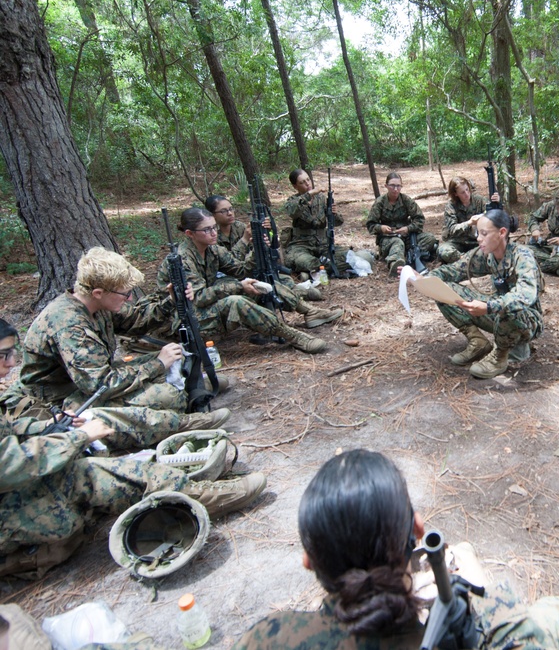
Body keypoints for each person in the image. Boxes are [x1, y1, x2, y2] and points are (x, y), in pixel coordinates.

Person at [233, 449, 559, 650]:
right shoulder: (504, 624)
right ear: (419, 531)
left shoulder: (266, 639)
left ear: (308, 561)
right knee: (550, 615)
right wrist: (488, 603)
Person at [0, 317, 267, 579]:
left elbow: (9, 434)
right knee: (86, 473)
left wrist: (47, 426)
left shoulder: (97, 313)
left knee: (98, 420)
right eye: (4, 355)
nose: (12, 362)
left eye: (13, 352)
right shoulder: (68, 322)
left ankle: (186, 425)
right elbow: (9, 465)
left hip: (22, 467)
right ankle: (196, 495)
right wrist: (76, 438)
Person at [0, 249, 230, 449]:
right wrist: (157, 365)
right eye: (125, 293)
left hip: (90, 382)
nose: (129, 298)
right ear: (98, 292)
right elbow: (100, 385)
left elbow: (137, 321)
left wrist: (171, 300)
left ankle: (187, 389)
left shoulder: (97, 304)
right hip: (58, 401)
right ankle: (175, 418)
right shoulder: (69, 326)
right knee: (167, 394)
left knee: (178, 357)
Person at [155, 208, 339, 354]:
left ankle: (310, 311)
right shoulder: (182, 260)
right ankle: (293, 336)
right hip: (184, 319)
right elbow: (198, 298)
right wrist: (238, 287)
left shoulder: (212, 250)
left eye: (214, 227)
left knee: (258, 282)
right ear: (189, 233)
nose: (213, 233)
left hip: (202, 307)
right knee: (235, 301)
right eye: (207, 229)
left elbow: (240, 269)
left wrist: (257, 247)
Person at [423, 210, 543, 380]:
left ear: (502, 233)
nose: (479, 238)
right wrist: (425, 279)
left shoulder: (522, 257)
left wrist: (488, 307)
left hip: (527, 320)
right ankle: (477, 342)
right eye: (478, 233)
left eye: (484, 233)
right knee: (442, 289)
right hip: (498, 314)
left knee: (509, 307)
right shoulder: (487, 254)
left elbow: (525, 295)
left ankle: (500, 356)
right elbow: (455, 269)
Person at [206, 194, 324, 302]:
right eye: (224, 211)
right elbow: (231, 265)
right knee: (260, 287)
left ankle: (293, 292)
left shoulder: (239, 227)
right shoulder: (211, 236)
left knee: (282, 279)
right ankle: (297, 294)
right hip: (229, 278)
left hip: (248, 269)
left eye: (231, 209)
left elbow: (258, 254)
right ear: (212, 215)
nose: (230, 213)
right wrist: (245, 240)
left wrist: (266, 234)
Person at [284, 169, 376, 278]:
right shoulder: (293, 201)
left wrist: (333, 213)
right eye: (302, 182)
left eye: (308, 180)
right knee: (303, 261)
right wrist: (310, 194)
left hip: (323, 245)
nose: (307, 183)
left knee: (351, 256)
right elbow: (292, 211)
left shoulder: (321, 199)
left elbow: (338, 222)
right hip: (302, 246)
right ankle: (317, 269)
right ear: (295, 186)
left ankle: (314, 272)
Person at [366, 172, 438, 274]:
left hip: (406, 236)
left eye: (398, 186)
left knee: (429, 238)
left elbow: (419, 219)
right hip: (388, 239)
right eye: (392, 185)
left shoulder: (406, 200)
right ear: (386, 186)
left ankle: (410, 255)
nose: (395, 189)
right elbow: (370, 224)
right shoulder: (380, 203)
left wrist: (408, 228)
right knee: (397, 243)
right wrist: (381, 228)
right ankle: (395, 264)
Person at [438, 177, 501, 263]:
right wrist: (469, 223)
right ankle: (465, 260)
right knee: (443, 250)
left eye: (467, 190)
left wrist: (497, 204)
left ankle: (467, 261)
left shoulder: (479, 200)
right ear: (455, 194)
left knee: (497, 246)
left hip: (477, 241)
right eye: (462, 192)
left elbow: (495, 217)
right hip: (458, 242)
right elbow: (452, 229)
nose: (467, 194)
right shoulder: (451, 206)